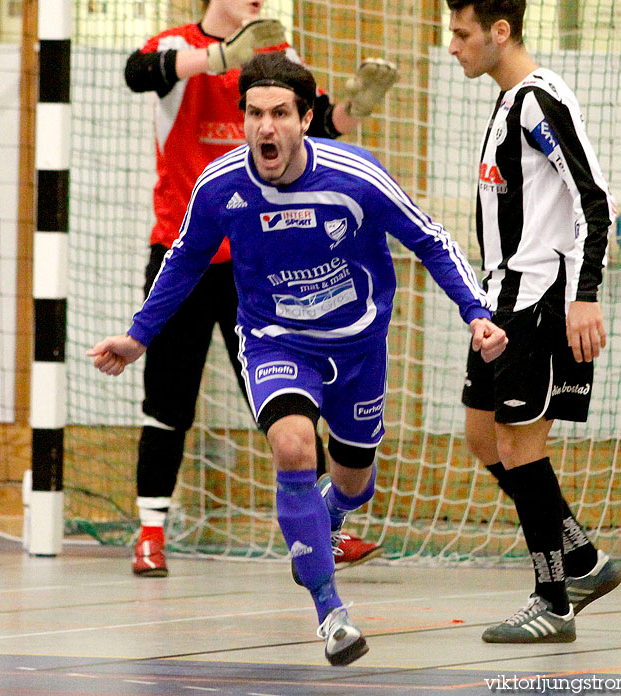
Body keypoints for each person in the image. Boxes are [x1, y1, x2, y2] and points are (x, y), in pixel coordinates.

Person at [89, 52, 507, 665]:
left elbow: (430, 239)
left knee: (354, 483)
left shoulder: (356, 176)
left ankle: (324, 518)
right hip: (275, 341)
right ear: (244, 122)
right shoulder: (220, 187)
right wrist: (138, 336)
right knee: (291, 446)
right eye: (255, 114)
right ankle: (329, 611)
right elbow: (182, 262)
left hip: (358, 345)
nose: (266, 127)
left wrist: (476, 312)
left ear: (305, 118)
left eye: (280, 113)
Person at [124, 0, 398, 577]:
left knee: (290, 409)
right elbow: (137, 73)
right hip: (187, 247)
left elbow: (316, 129)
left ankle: (330, 527)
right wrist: (222, 57)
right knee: (169, 394)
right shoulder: (175, 43)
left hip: (260, 255)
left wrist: (352, 108)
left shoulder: (279, 50)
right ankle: (150, 531)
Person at [446, 0, 621, 643]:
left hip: (540, 303)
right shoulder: (505, 101)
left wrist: (586, 295)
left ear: (500, 31)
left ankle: (554, 600)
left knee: (522, 446)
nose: (452, 45)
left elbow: (592, 198)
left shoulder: (540, 101)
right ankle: (581, 558)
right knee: (482, 437)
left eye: (462, 33)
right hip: (497, 301)